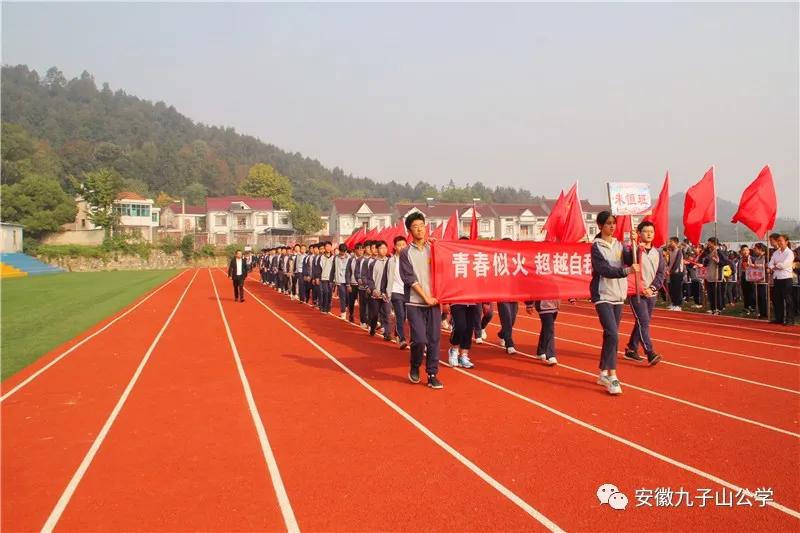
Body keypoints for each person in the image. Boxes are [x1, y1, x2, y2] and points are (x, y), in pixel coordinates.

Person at [590, 211, 637, 395]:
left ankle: (602, 371)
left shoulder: (619, 245)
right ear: (600, 225)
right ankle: (612, 376)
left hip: (618, 295)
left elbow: (630, 260)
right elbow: (605, 270)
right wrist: (626, 272)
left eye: (614, 223)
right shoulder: (596, 247)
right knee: (612, 334)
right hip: (602, 294)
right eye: (608, 223)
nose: (612, 226)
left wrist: (634, 242)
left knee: (611, 335)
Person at [399, 212, 443, 389]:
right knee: (419, 340)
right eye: (415, 226)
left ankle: (432, 374)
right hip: (415, 302)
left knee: (434, 339)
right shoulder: (405, 253)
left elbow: (445, 270)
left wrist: (439, 247)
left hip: (435, 302)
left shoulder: (433, 248)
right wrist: (426, 297)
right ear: (410, 230)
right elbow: (409, 278)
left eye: (422, 225)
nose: (419, 229)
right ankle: (415, 365)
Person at [623, 220, 664, 366]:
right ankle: (650, 353)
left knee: (641, 322)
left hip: (651, 293)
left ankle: (631, 349)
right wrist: (631, 242)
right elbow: (627, 259)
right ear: (639, 234)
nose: (649, 234)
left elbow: (660, 274)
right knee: (644, 322)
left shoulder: (658, 252)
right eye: (646, 231)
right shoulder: (634, 250)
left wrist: (652, 288)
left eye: (651, 232)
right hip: (637, 293)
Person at [386, 236, 409, 349]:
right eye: (399, 245)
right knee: (400, 315)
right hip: (395, 290)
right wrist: (385, 290)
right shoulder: (391, 260)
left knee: (404, 316)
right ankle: (402, 339)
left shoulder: (410, 259)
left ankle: (396, 331)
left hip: (407, 291)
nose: (401, 247)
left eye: (403, 245)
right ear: (395, 247)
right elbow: (386, 277)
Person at [366, 240, 392, 340]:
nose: (384, 250)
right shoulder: (372, 263)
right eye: (381, 248)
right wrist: (373, 289)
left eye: (385, 248)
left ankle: (387, 333)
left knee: (386, 314)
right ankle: (372, 327)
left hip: (386, 293)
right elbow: (369, 278)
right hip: (375, 294)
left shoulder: (390, 261)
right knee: (374, 315)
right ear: (377, 249)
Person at [768, 234, 796, 325]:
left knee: (787, 299)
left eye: (781, 240)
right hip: (777, 278)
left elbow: (784, 265)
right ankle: (779, 318)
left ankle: (790, 319)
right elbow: (770, 264)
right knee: (777, 299)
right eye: (778, 240)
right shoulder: (776, 253)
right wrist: (776, 266)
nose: (779, 242)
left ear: (786, 242)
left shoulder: (789, 253)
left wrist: (775, 266)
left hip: (786, 278)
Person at [700, 237, 731, 315]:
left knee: (717, 293)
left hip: (717, 275)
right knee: (711, 293)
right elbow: (704, 261)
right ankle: (713, 308)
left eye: (709, 243)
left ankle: (719, 309)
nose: (708, 244)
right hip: (710, 275)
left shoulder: (719, 252)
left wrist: (718, 261)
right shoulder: (708, 252)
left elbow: (725, 262)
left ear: (713, 243)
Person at [526, 300, 559, 365]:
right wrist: (529, 304)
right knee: (549, 329)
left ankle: (540, 352)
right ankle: (550, 355)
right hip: (544, 306)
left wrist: (571, 297)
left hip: (555, 304)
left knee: (546, 329)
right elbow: (533, 290)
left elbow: (562, 289)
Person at [666, 237, 684, 311]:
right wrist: (667, 269)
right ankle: (673, 303)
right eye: (670, 241)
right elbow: (669, 262)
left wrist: (671, 271)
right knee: (672, 288)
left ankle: (678, 305)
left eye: (671, 242)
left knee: (677, 289)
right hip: (671, 273)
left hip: (677, 273)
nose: (670, 243)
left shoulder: (679, 251)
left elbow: (677, 263)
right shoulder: (670, 251)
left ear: (675, 243)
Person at [333, 244, 350, 319]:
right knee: (342, 296)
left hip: (348, 280)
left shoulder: (350, 258)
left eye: (344, 252)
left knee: (347, 296)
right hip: (339, 280)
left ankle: (346, 306)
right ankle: (343, 312)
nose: (342, 253)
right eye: (341, 251)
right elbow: (333, 269)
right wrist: (332, 279)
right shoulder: (336, 258)